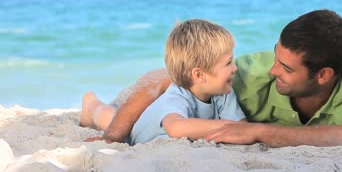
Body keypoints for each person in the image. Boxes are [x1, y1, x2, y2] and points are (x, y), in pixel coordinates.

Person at [83, 9, 342, 147]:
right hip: (149, 109)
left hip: (186, 116)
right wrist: (113, 135)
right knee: (108, 116)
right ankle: (91, 106)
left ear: (324, 75)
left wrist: (259, 133)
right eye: (277, 57)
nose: (274, 71)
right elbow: (163, 79)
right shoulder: (251, 71)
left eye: (287, 69)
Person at [80, 19, 245, 144]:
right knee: (106, 115)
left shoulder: (223, 92)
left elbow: (241, 127)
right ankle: (91, 103)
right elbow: (175, 127)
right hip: (133, 133)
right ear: (199, 75)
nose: (235, 68)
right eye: (228, 63)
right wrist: (229, 126)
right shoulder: (178, 94)